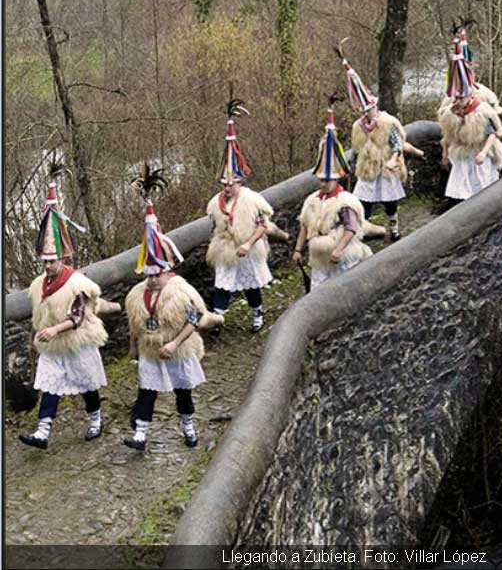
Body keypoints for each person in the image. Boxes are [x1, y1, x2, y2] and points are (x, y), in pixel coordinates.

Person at [123, 166, 220, 451]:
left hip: (176, 348)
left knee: (182, 392)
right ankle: (140, 434)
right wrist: (133, 345)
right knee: (147, 392)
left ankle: (188, 427)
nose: (152, 280)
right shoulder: (137, 294)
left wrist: (176, 343)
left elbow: (194, 319)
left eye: (156, 275)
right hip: (151, 348)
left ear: (166, 271)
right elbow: (135, 323)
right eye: (148, 275)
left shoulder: (180, 291)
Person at [20, 177, 118, 450]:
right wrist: (35, 337)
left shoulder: (77, 284)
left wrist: (55, 330)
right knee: (49, 386)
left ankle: (95, 418)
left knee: (86, 384)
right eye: (45, 261)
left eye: (52, 261)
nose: (48, 266)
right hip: (51, 344)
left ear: (62, 259)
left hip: (76, 342)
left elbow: (77, 317)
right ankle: (42, 431)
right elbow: (38, 316)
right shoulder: (38, 285)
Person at [338, 44, 423, 242]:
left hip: (385, 166)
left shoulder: (387, 122)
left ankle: (393, 229)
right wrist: (351, 166)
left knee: (390, 201)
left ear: (374, 106)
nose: (367, 114)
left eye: (369, 110)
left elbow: (397, 145)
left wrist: (394, 160)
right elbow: (357, 149)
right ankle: (361, 230)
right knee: (363, 202)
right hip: (367, 168)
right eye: (364, 111)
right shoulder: (358, 127)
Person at [206, 106, 275, 332]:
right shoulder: (215, 202)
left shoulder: (253, 200)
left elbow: (264, 226)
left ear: (240, 183)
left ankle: (257, 313)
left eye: (231, 184)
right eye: (224, 184)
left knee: (250, 284)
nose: (227, 187)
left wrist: (248, 243)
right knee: (222, 285)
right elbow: (214, 225)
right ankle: (216, 319)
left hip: (249, 247)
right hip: (226, 248)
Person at [292, 99, 372, 289]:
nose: (324, 183)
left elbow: (350, 228)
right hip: (319, 257)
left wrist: (338, 249)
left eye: (327, 180)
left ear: (336, 179)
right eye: (321, 180)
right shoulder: (312, 200)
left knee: (344, 290)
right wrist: (297, 250)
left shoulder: (345, 201)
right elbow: (305, 225)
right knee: (317, 289)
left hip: (341, 255)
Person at [438, 31, 502, 203]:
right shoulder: (451, 112)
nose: (458, 101)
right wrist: (445, 153)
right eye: (456, 98)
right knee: (459, 189)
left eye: (461, 98)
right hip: (461, 154)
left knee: (482, 187)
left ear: (469, 96)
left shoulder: (480, 111)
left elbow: (492, 133)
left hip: (479, 152)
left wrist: (484, 153)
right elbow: (448, 136)